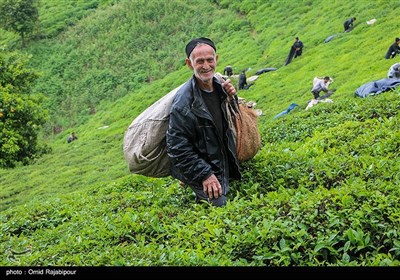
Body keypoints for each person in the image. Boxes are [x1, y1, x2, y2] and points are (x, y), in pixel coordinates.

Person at [166, 37, 241, 207]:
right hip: (201, 165)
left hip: (218, 158)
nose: (206, 66)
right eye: (199, 61)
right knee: (220, 204)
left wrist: (231, 97)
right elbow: (176, 148)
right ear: (189, 63)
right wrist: (205, 175)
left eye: (210, 60)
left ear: (216, 59)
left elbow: (233, 119)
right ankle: (191, 180)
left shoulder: (221, 86)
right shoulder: (183, 104)